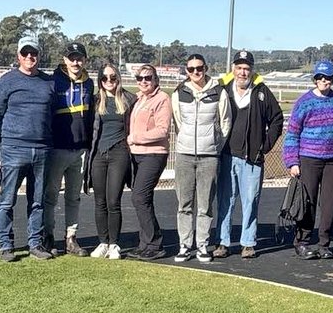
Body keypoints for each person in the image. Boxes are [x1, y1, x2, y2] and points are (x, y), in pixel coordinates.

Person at [0, 36, 55, 262]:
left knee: (37, 201)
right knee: (7, 201)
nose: (30, 57)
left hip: (42, 150)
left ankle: (35, 243)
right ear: (18, 55)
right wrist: (8, 139)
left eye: (33, 53)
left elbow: (52, 115)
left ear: (39, 55)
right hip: (14, 149)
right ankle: (6, 246)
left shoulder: (48, 83)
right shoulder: (7, 81)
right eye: (25, 53)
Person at [213, 50, 284, 259]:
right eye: (239, 68)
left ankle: (248, 242)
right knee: (225, 201)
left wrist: (265, 145)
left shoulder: (262, 92)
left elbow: (277, 119)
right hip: (226, 155)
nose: (243, 72)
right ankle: (222, 241)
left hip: (252, 159)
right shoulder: (223, 90)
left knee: (250, 201)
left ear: (252, 71)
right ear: (233, 69)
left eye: (247, 68)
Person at [282, 60, 333, 260]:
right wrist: (292, 161)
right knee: (307, 203)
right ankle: (302, 242)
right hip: (309, 158)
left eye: (327, 77)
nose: (323, 81)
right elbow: (292, 133)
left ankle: (324, 243)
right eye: (320, 77)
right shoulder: (304, 102)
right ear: (315, 79)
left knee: (330, 204)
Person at [171, 54, 231, 263]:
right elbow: (178, 123)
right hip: (184, 155)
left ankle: (203, 246)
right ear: (186, 71)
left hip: (209, 156)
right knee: (184, 204)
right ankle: (184, 245)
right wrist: (187, 142)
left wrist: (214, 146)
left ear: (205, 68)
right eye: (191, 69)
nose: (196, 72)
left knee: (205, 205)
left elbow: (225, 123)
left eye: (199, 68)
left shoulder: (218, 92)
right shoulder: (179, 93)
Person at [44, 42, 94, 256]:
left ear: (85, 60)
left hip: (80, 151)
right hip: (57, 149)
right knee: (50, 196)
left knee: (74, 197)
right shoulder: (53, 81)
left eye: (79, 58)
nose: (76, 61)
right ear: (64, 59)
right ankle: (47, 237)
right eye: (71, 57)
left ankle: (71, 239)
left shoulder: (90, 83)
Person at [82, 63, 134, 260]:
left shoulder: (129, 99)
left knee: (114, 201)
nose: (109, 81)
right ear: (100, 81)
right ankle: (103, 242)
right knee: (100, 201)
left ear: (118, 78)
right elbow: (87, 128)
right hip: (98, 155)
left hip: (119, 153)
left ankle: (114, 244)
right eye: (105, 78)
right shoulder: (96, 101)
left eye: (113, 77)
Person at [127, 64, 172, 261]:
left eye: (148, 78)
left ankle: (155, 243)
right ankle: (145, 243)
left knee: (139, 196)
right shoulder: (138, 99)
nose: (143, 81)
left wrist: (135, 137)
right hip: (136, 154)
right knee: (142, 199)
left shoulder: (162, 99)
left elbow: (162, 130)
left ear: (156, 80)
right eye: (140, 78)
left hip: (154, 154)